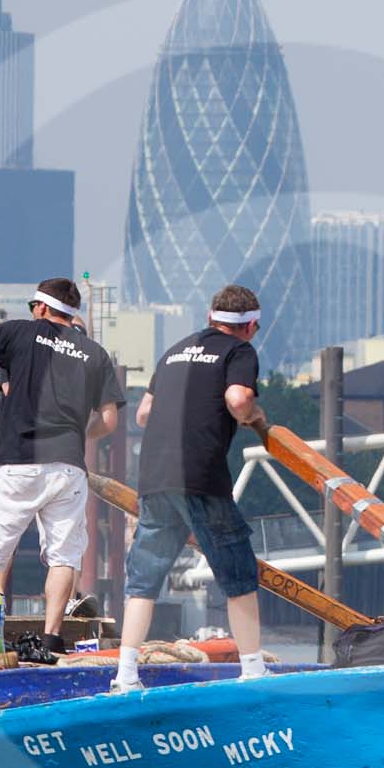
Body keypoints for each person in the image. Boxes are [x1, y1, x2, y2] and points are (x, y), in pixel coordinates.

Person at [0, 278, 123, 660]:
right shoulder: (95, 353)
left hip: (20, 459)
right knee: (64, 556)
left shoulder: (21, 333)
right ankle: (50, 639)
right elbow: (109, 421)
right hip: (68, 467)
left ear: (41, 308)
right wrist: (78, 433)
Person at [114, 284, 268, 693]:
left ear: (209, 319)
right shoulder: (239, 352)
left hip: (154, 477)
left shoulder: (175, 351)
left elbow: (145, 413)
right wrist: (253, 414)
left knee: (143, 582)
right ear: (251, 326)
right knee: (239, 577)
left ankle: (126, 675)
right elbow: (237, 400)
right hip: (200, 477)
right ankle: (253, 671)